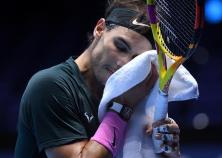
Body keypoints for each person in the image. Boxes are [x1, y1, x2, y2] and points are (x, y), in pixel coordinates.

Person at [15, 0, 181, 157]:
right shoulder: (49, 86)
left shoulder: (135, 98)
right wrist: (123, 107)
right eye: (120, 46)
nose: (122, 64)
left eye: (135, 60)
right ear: (100, 28)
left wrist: (164, 154)